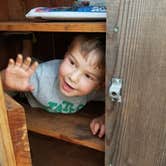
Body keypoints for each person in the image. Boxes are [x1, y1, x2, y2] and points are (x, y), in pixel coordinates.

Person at [1, 35, 105, 138]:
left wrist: (105, 118)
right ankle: (26, 38)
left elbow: (116, 104)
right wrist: (4, 81)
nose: (73, 77)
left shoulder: (94, 89)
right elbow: (8, 82)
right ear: (65, 54)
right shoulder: (40, 76)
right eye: (72, 62)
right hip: (29, 81)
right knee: (24, 62)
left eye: (87, 76)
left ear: (99, 85)